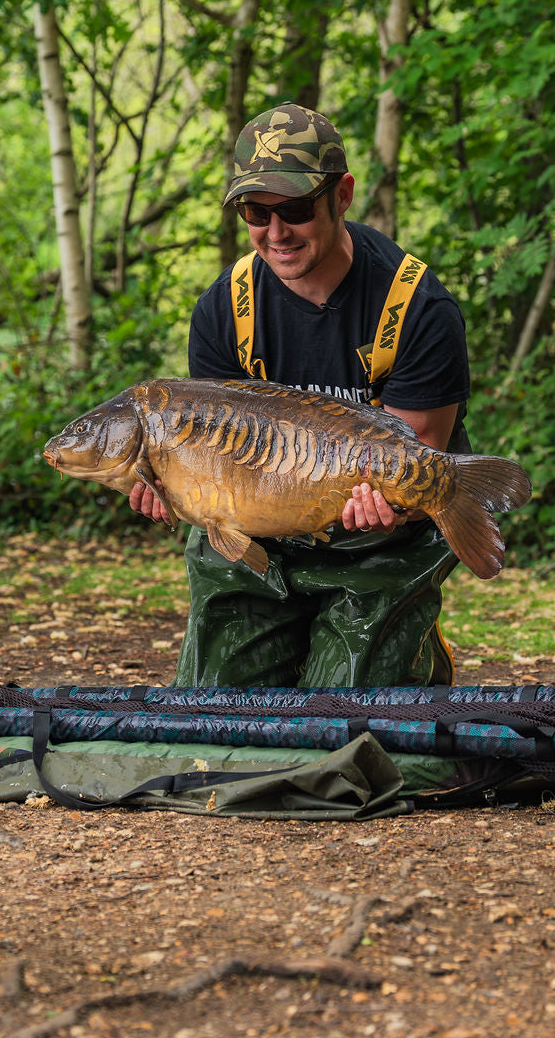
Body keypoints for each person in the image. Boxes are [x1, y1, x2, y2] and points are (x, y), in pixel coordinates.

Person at [129, 101, 471, 692]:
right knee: (219, 716)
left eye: (293, 209)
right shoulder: (222, 311)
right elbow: (213, 462)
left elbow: (419, 457)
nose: (275, 232)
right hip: (259, 535)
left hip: (378, 542)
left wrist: (395, 506)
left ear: (342, 195)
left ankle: (412, 644)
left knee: (353, 726)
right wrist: (176, 490)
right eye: (255, 212)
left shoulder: (417, 308)